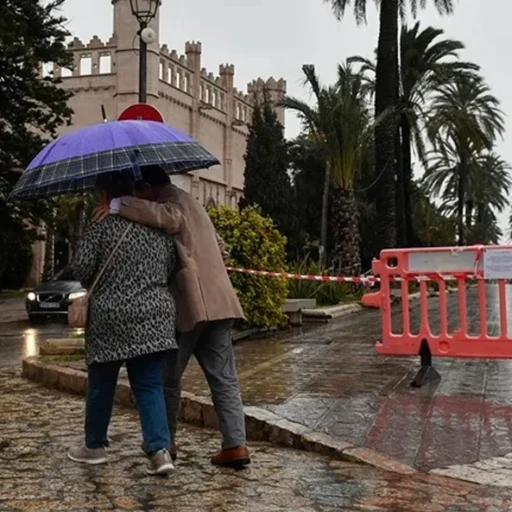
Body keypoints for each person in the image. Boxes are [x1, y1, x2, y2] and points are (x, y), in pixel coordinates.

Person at [93, 166, 250, 469]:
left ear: (149, 189)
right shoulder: (195, 203)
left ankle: (165, 443)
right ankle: (235, 445)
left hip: (193, 306)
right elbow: (220, 248)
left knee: (166, 378)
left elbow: (169, 218)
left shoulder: (172, 203)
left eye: (140, 194)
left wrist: (115, 205)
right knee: (225, 379)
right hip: (221, 303)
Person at [69, 170, 178, 476]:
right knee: (149, 385)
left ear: (104, 195)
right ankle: (160, 452)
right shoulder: (157, 228)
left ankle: (94, 446)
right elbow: (170, 267)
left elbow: (82, 268)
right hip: (155, 316)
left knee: (101, 383)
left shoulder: (100, 226)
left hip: (110, 318)